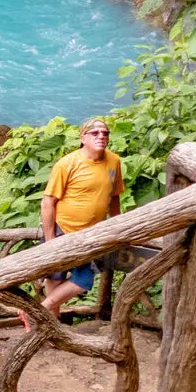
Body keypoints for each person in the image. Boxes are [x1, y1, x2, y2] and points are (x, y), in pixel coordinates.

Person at [39, 119, 125, 320]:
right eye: (94, 133)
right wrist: (50, 240)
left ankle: (41, 310)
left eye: (105, 133)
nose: (101, 136)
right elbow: (48, 202)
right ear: (83, 138)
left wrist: (118, 225)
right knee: (55, 278)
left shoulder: (114, 161)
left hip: (91, 234)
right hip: (63, 229)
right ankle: (52, 326)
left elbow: (114, 196)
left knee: (84, 280)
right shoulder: (67, 164)